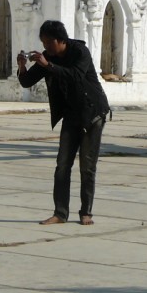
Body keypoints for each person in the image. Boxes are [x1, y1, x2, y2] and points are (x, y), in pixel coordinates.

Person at [17, 20, 110, 226]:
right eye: (44, 43)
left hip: (92, 113)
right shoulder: (48, 57)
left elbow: (75, 76)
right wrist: (23, 66)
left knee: (87, 166)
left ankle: (86, 212)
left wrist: (48, 65)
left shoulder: (80, 52)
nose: (46, 47)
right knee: (62, 165)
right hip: (71, 115)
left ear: (61, 40)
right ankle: (60, 213)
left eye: (49, 43)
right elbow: (26, 82)